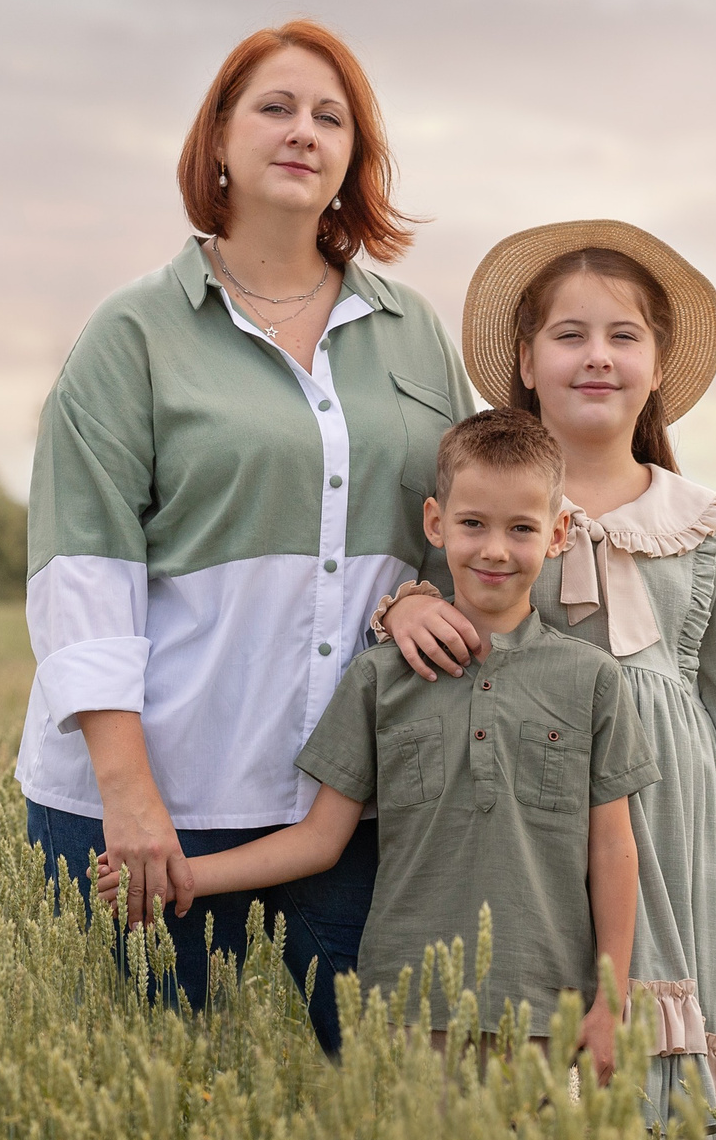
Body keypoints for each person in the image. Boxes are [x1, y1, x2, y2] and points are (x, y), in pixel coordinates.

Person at [17, 20, 477, 1054]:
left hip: (345, 813)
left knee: (351, 1125)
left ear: (355, 157)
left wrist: (414, 591)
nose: (302, 131)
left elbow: (466, 528)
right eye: (274, 106)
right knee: (141, 1132)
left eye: (331, 117)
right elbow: (82, 572)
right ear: (217, 138)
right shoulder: (131, 334)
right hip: (150, 814)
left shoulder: (412, 333)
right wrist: (133, 801)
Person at [384, 221, 716, 1121]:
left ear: (658, 364)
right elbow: (429, 624)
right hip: (522, 828)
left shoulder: (698, 522)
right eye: (569, 335)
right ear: (525, 358)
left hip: (667, 826)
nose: (597, 357)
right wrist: (400, 604)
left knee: (668, 1094)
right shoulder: (491, 509)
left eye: (624, 335)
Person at [98, 409, 655, 1082]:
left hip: (549, 1010)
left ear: (559, 531)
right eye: (473, 523)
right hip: (410, 1010)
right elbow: (319, 839)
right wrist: (183, 875)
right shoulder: (381, 675)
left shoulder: (591, 679)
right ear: (434, 522)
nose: (495, 549)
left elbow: (613, 847)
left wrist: (610, 997)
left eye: (522, 528)